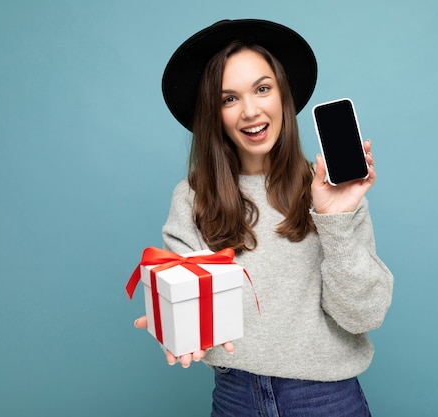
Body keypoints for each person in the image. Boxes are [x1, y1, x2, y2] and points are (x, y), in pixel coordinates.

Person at [133, 19, 393, 416]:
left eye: (262, 88)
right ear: (213, 113)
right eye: (228, 99)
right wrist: (176, 325)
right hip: (235, 396)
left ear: (283, 94)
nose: (251, 111)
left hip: (325, 400)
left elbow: (364, 316)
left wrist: (335, 221)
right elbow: (187, 306)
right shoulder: (192, 198)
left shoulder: (332, 190)